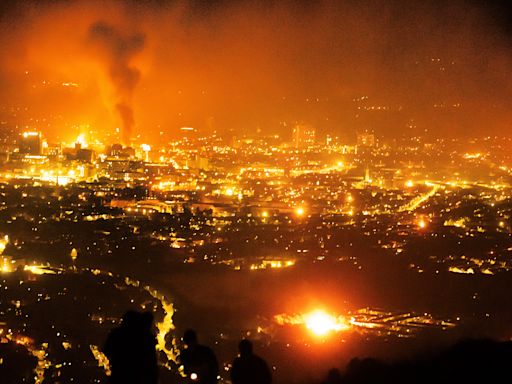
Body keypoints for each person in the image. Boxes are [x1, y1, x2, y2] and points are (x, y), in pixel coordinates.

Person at [103, 310, 158, 384]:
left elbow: (106, 350)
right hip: (138, 376)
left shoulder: (117, 334)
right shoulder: (144, 336)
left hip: (120, 374)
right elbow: (151, 360)